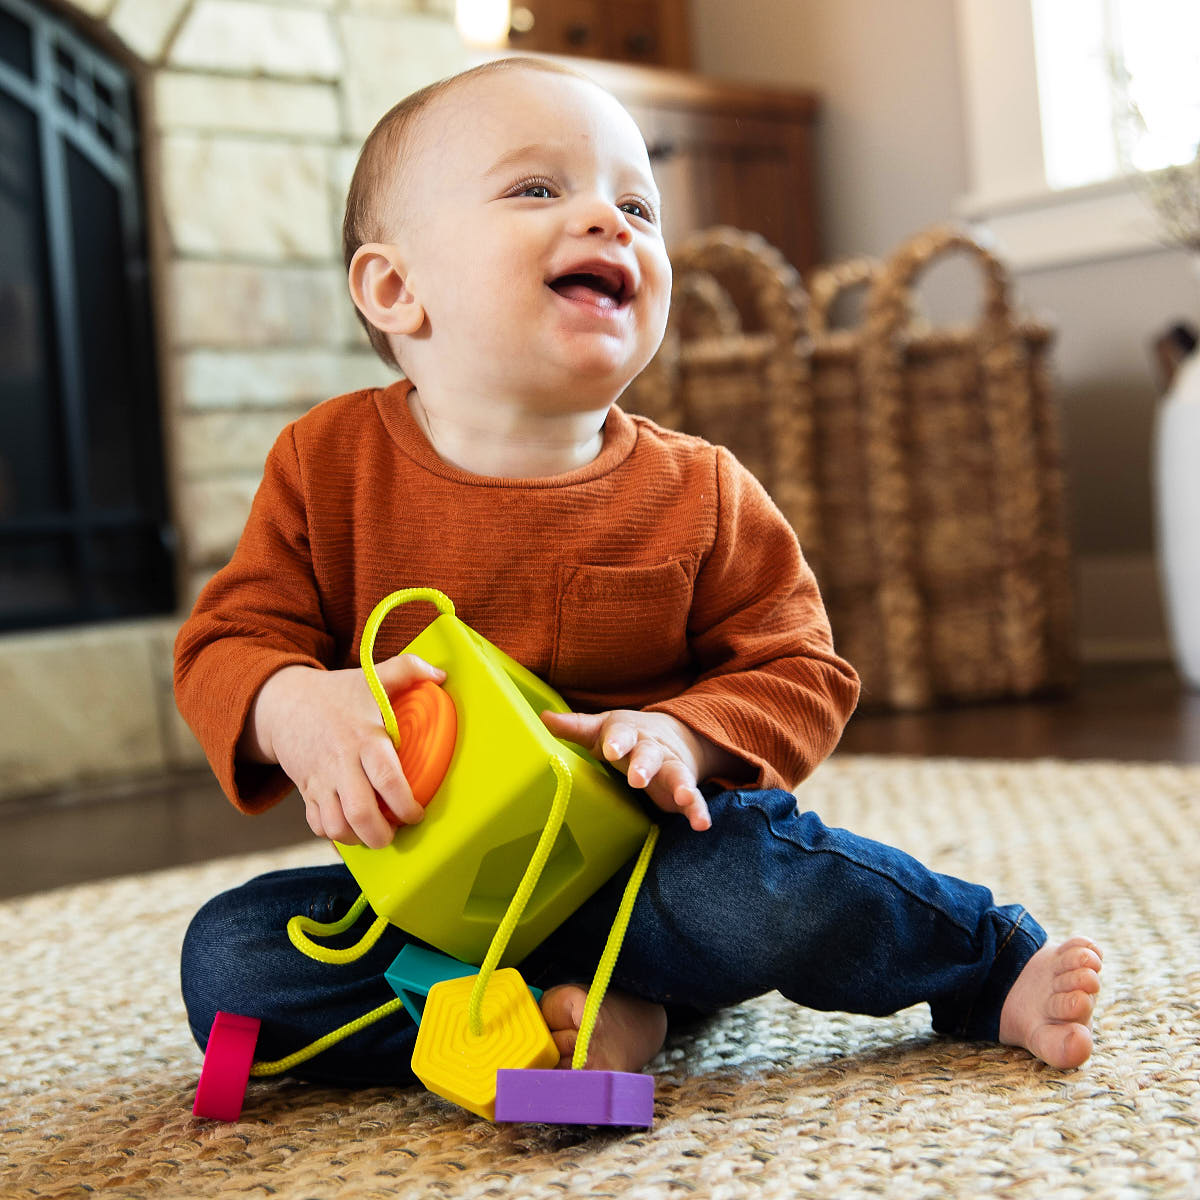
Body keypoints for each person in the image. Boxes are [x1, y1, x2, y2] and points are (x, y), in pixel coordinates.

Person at [175, 57, 1102, 1093]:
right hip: (441, 899)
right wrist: (297, 706)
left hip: (654, 875)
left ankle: (984, 966)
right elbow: (224, 642)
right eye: (538, 188)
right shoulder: (326, 464)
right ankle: (557, 1016)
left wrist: (687, 734)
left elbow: (805, 671)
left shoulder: (700, 489)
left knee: (757, 889)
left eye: (638, 206)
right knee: (230, 961)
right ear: (396, 289)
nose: (609, 221)